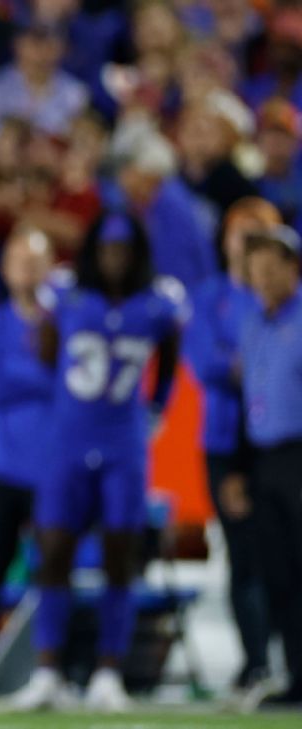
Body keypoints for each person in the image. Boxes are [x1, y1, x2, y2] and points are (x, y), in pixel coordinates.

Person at [11, 212, 185, 712]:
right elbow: (46, 350)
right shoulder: (67, 293)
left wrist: (156, 409)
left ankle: (109, 672)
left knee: (120, 555)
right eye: (107, 249)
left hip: (123, 444)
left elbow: (170, 360)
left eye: (123, 250)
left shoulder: (157, 301)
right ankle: (48, 670)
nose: (114, 259)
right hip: (69, 440)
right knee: (54, 551)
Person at [185, 198, 278, 699]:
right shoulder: (211, 297)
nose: (244, 243)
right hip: (225, 438)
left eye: (257, 233)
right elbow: (207, 363)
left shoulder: (284, 298)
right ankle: (256, 662)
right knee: (243, 552)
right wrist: (261, 365)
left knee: (285, 550)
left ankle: (288, 661)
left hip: (280, 440)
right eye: (238, 232)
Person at [0, 227, 56, 692]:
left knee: (53, 574)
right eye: (19, 260)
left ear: (51, 267)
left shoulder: (64, 319)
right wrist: (43, 374)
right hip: (2, 465)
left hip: (52, 469)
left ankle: (51, 671)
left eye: (35, 261)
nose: (26, 270)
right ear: (4, 269)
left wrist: (25, 374)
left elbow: (72, 383)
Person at [239, 224, 302, 707]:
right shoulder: (253, 324)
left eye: (271, 266)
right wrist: (241, 468)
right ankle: (298, 674)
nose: (262, 276)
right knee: (279, 573)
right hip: (265, 459)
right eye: (255, 267)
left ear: (293, 268)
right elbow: (251, 401)